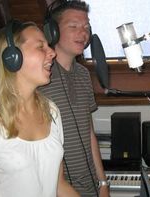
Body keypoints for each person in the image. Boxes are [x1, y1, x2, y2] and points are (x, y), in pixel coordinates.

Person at [0, 19, 79, 197]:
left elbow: (58, 184)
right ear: (12, 58)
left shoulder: (52, 111)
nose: (52, 53)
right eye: (41, 47)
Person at [39, 1, 110, 196]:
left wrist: (103, 183)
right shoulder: (38, 77)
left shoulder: (84, 75)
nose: (83, 33)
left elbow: (89, 133)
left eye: (86, 27)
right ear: (52, 31)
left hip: (90, 187)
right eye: (74, 26)